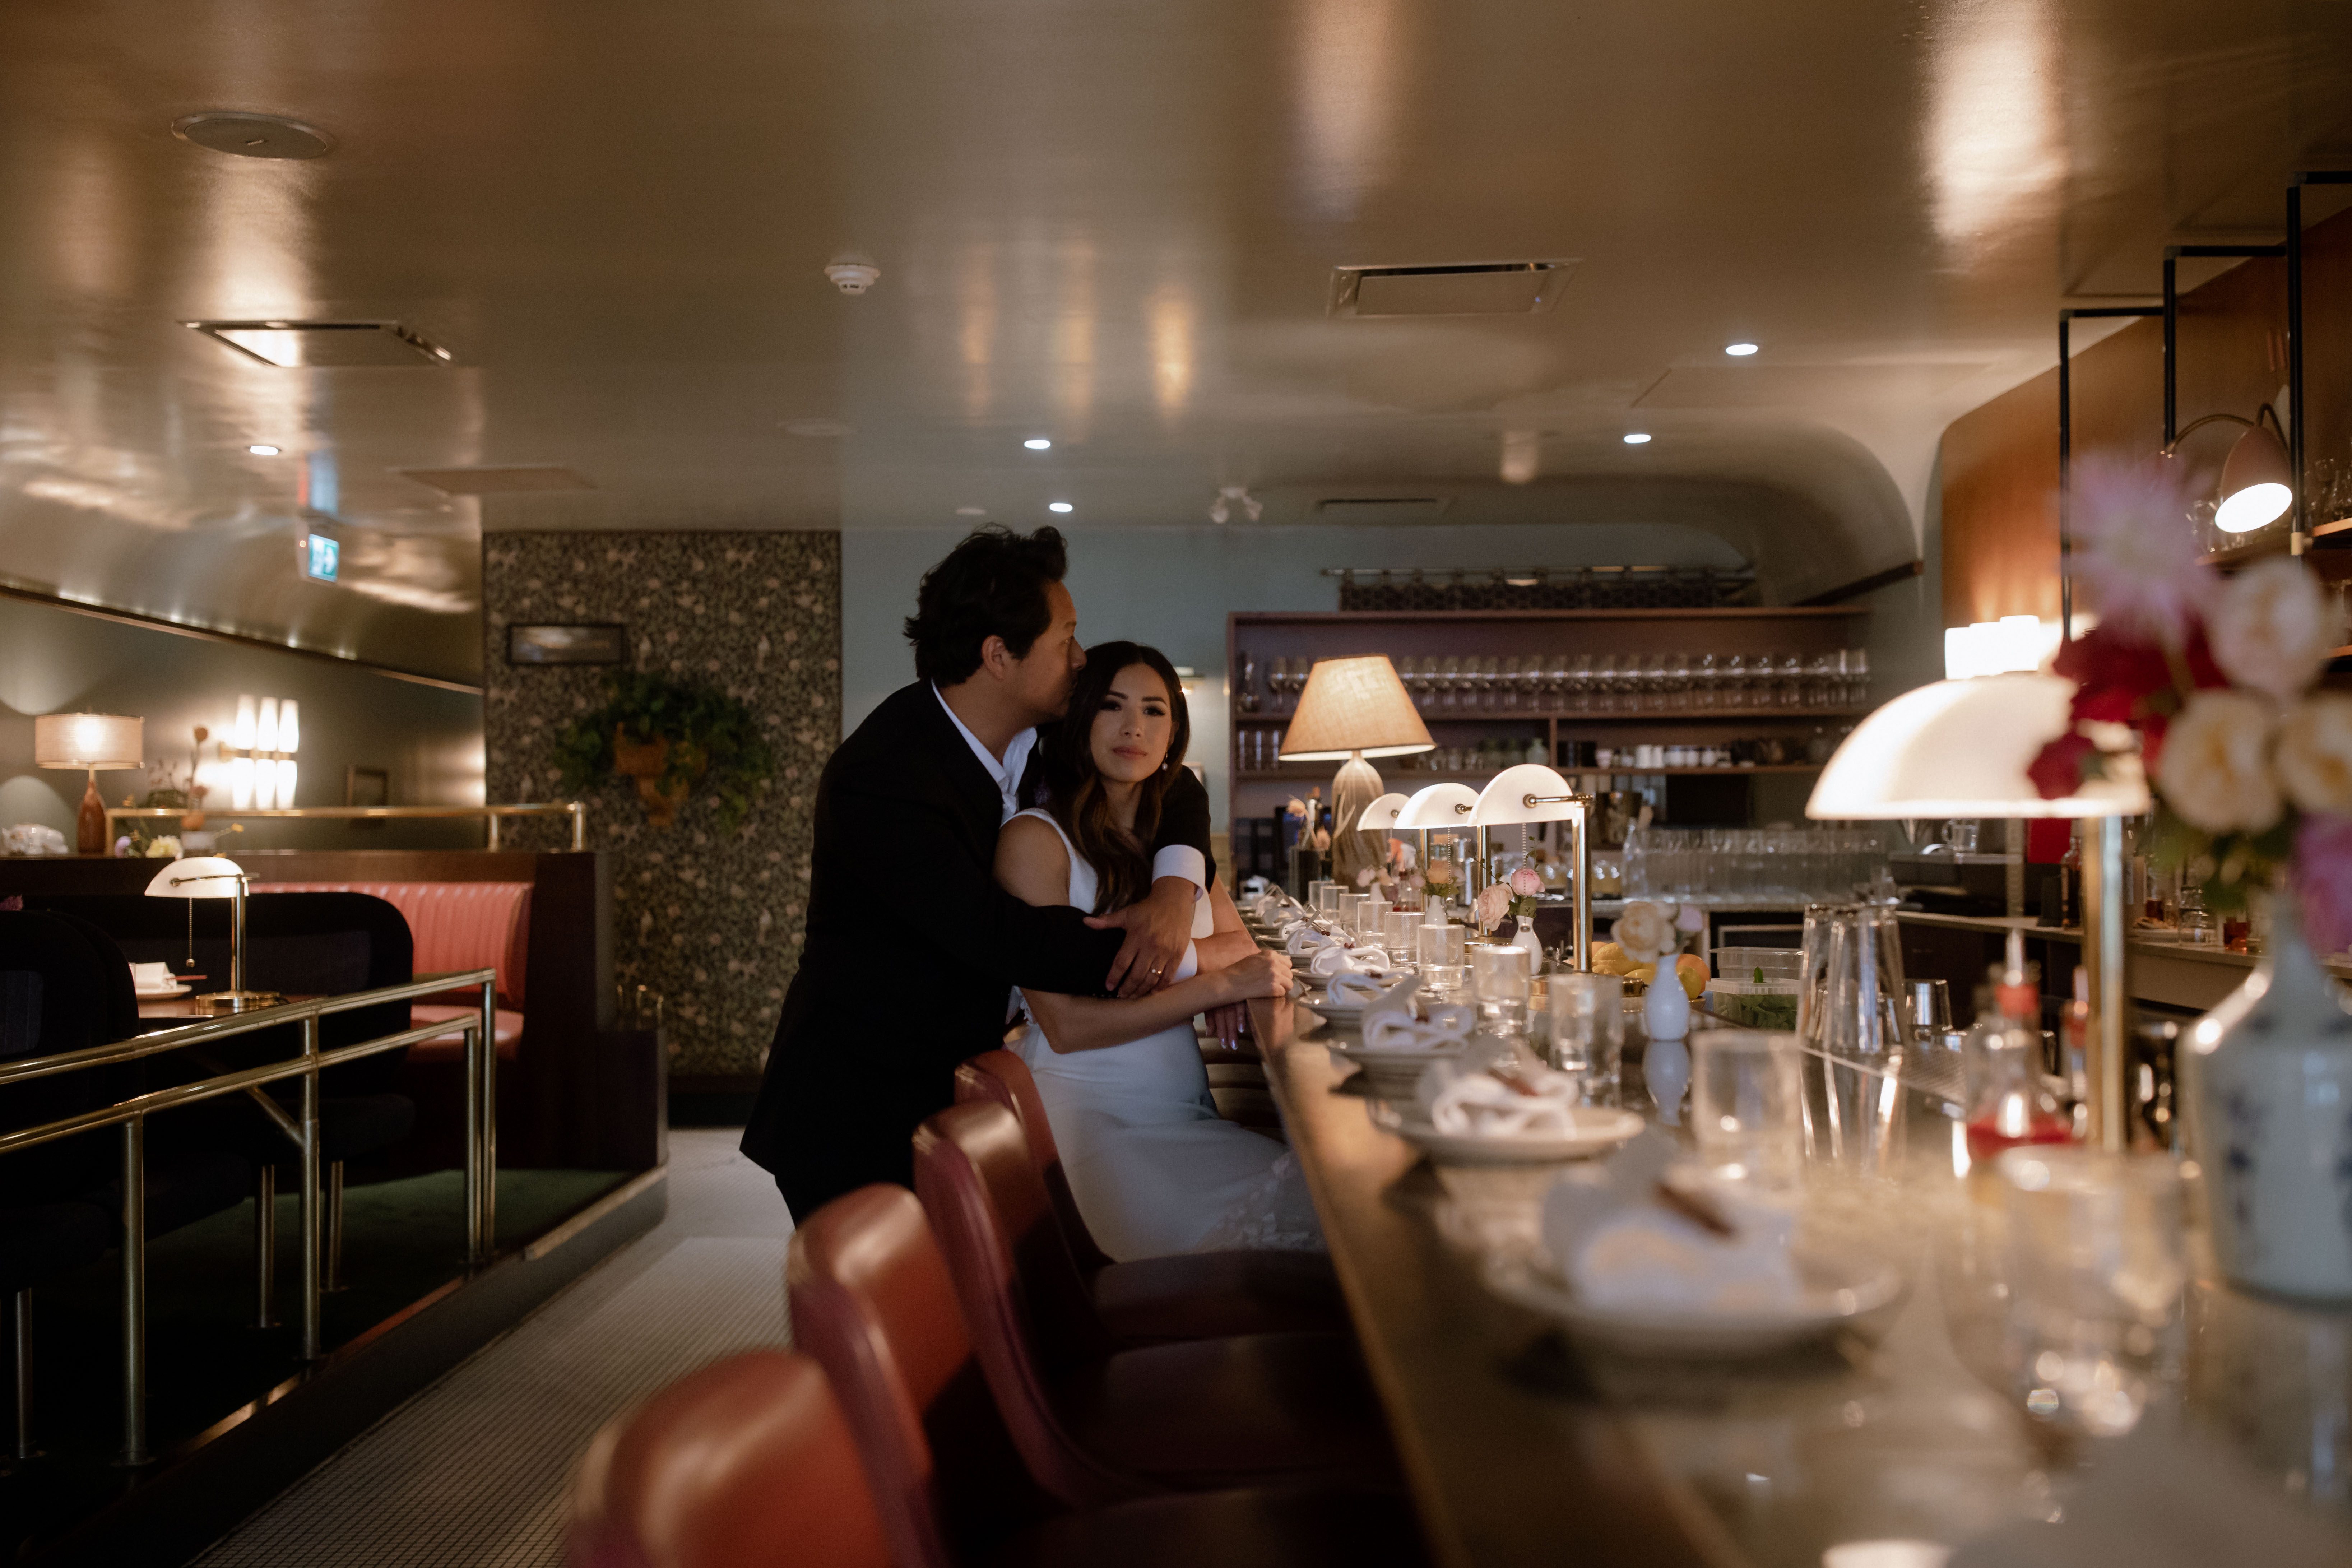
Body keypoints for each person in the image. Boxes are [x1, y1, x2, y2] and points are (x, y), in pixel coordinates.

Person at [742, 526, 1217, 1218]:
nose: (1080, 659)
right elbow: (999, 936)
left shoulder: (1039, 737)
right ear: (1000, 655)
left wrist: (1175, 889)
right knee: (899, 1314)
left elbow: (1173, 783)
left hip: (961, 1085)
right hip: (859, 1103)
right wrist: (1181, 960)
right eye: (1066, 638)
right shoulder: (883, 776)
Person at [996, 641, 1317, 1258]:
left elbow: (1241, 945)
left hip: (1186, 1112)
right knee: (1321, 1231)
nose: (1133, 728)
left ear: (1173, 734)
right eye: (1112, 706)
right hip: (1094, 1120)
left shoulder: (1175, 844)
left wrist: (1233, 969)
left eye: (1154, 711)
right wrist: (1219, 986)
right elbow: (1067, 1024)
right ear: (1079, 716)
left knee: (1345, 1206)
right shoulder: (1034, 840)